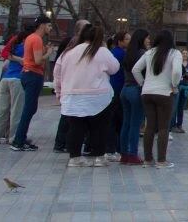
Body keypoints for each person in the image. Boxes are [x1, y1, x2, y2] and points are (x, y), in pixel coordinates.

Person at [54, 24, 119, 168]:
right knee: (99, 127)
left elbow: (57, 72)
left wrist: (59, 91)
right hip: (98, 96)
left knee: (75, 127)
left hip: (73, 94)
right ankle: (99, 156)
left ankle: (74, 157)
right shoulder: (101, 52)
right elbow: (114, 68)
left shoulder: (69, 52)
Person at [132, 29, 181, 168]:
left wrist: (142, 83)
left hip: (147, 92)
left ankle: (148, 159)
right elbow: (177, 71)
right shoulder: (174, 53)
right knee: (163, 128)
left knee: (149, 126)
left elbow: (135, 69)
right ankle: (161, 160)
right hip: (164, 93)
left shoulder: (149, 52)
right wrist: (174, 84)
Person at [10, 14, 53, 151]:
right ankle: (19, 140)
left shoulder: (30, 38)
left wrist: (44, 51)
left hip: (27, 73)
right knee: (29, 109)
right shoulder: (36, 39)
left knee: (30, 108)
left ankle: (21, 138)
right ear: (42, 25)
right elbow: (38, 60)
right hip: (33, 74)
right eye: (49, 25)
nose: (50, 28)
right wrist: (49, 53)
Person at [53, 19, 91, 152]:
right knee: (68, 115)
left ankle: (70, 141)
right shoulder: (74, 43)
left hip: (75, 82)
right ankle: (61, 142)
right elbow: (60, 62)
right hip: (71, 83)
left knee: (73, 115)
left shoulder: (80, 43)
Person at [0, 28, 30, 144]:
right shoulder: (26, 47)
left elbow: (4, 53)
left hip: (5, 79)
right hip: (18, 79)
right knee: (16, 110)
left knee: (2, 109)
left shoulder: (14, 46)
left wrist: (15, 58)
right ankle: (13, 136)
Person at [118, 29, 149, 165]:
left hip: (125, 89)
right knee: (135, 124)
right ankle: (133, 154)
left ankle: (124, 154)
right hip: (136, 89)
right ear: (142, 39)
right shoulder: (143, 54)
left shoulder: (128, 53)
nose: (149, 40)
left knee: (126, 123)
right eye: (147, 38)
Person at [104, 31, 127, 161]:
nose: (129, 42)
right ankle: (115, 148)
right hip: (118, 88)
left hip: (112, 88)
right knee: (117, 120)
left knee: (112, 120)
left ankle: (111, 147)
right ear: (120, 41)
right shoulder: (121, 54)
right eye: (127, 39)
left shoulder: (112, 53)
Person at [170, 49, 188, 133]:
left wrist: (187, 75)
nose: (185, 55)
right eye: (183, 53)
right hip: (177, 86)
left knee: (181, 107)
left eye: (186, 53)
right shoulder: (177, 63)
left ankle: (179, 124)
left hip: (185, 87)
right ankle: (172, 125)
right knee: (174, 107)